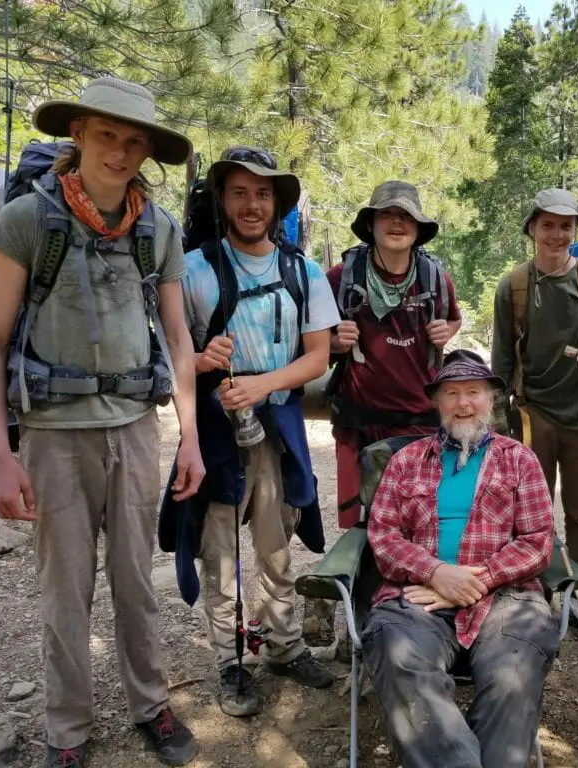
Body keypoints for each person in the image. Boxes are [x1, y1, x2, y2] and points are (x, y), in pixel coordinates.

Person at [0, 77, 203, 767]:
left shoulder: (157, 231)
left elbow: (179, 338)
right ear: (78, 133)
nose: (122, 152)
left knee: (136, 580)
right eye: (108, 134)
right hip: (51, 433)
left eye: (136, 141)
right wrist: (1, 453)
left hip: (135, 427)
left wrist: (189, 437)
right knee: (63, 591)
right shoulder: (28, 221)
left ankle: (151, 703)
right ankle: (66, 732)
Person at [167, 147, 340, 716]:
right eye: (238, 192)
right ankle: (228, 658)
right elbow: (171, 361)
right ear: (220, 199)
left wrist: (262, 385)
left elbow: (317, 358)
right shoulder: (192, 269)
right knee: (219, 548)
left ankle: (284, 644)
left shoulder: (303, 271)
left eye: (262, 194)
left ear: (278, 203)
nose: (251, 204)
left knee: (274, 541)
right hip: (217, 433)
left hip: (278, 425)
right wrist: (200, 358)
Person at [364, 350, 558, 768]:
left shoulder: (519, 459)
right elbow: (383, 535)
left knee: (513, 672)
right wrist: (436, 572)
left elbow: (538, 540)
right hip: (416, 597)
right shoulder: (405, 462)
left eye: (474, 392)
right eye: (452, 393)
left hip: (507, 600)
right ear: (437, 402)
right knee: (399, 656)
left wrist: (477, 580)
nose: (463, 403)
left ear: (491, 400)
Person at [490, 188, 578, 640]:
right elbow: (500, 362)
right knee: (531, 513)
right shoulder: (514, 285)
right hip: (532, 416)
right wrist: (498, 420)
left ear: (576, 230)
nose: (557, 234)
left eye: (566, 225)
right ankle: (533, 590)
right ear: (532, 228)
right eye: (548, 224)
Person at [326, 181, 461, 529]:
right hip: (359, 425)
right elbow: (311, 340)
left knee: (418, 523)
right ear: (371, 224)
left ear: (418, 229)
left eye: (406, 216)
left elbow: (453, 319)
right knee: (361, 528)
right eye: (387, 214)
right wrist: (332, 342)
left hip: (422, 425)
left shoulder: (436, 279)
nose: (397, 223)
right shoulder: (341, 278)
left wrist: (447, 331)